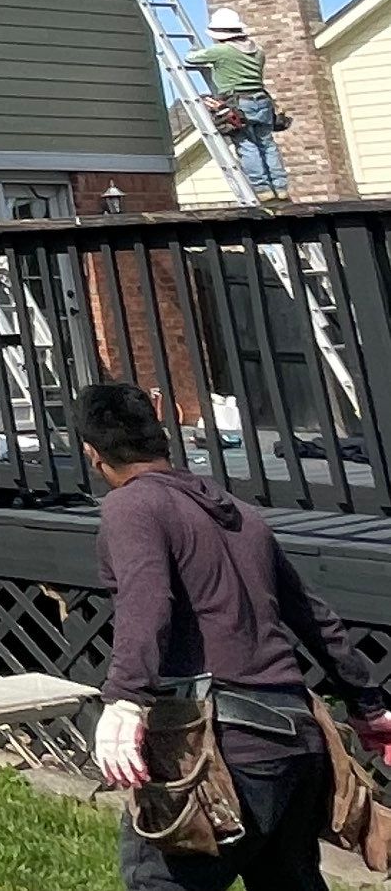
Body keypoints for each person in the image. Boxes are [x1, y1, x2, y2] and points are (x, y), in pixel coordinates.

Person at [84, 380, 391, 888]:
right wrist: (369, 707)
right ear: (163, 427)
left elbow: (146, 599)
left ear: (94, 454)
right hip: (300, 747)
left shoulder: (131, 506)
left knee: (159, 881)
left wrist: (125, 700)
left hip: (224, 751)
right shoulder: (243, 516)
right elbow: (316, 619)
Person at [185, 9, 290, 199]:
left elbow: (191, 59)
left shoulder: (221, 51)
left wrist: (197, 52)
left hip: (239, 103)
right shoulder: (258, 51)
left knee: (247, 145)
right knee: (267, 144)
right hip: (263, 102)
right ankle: (281, 188)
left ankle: (263, 190)